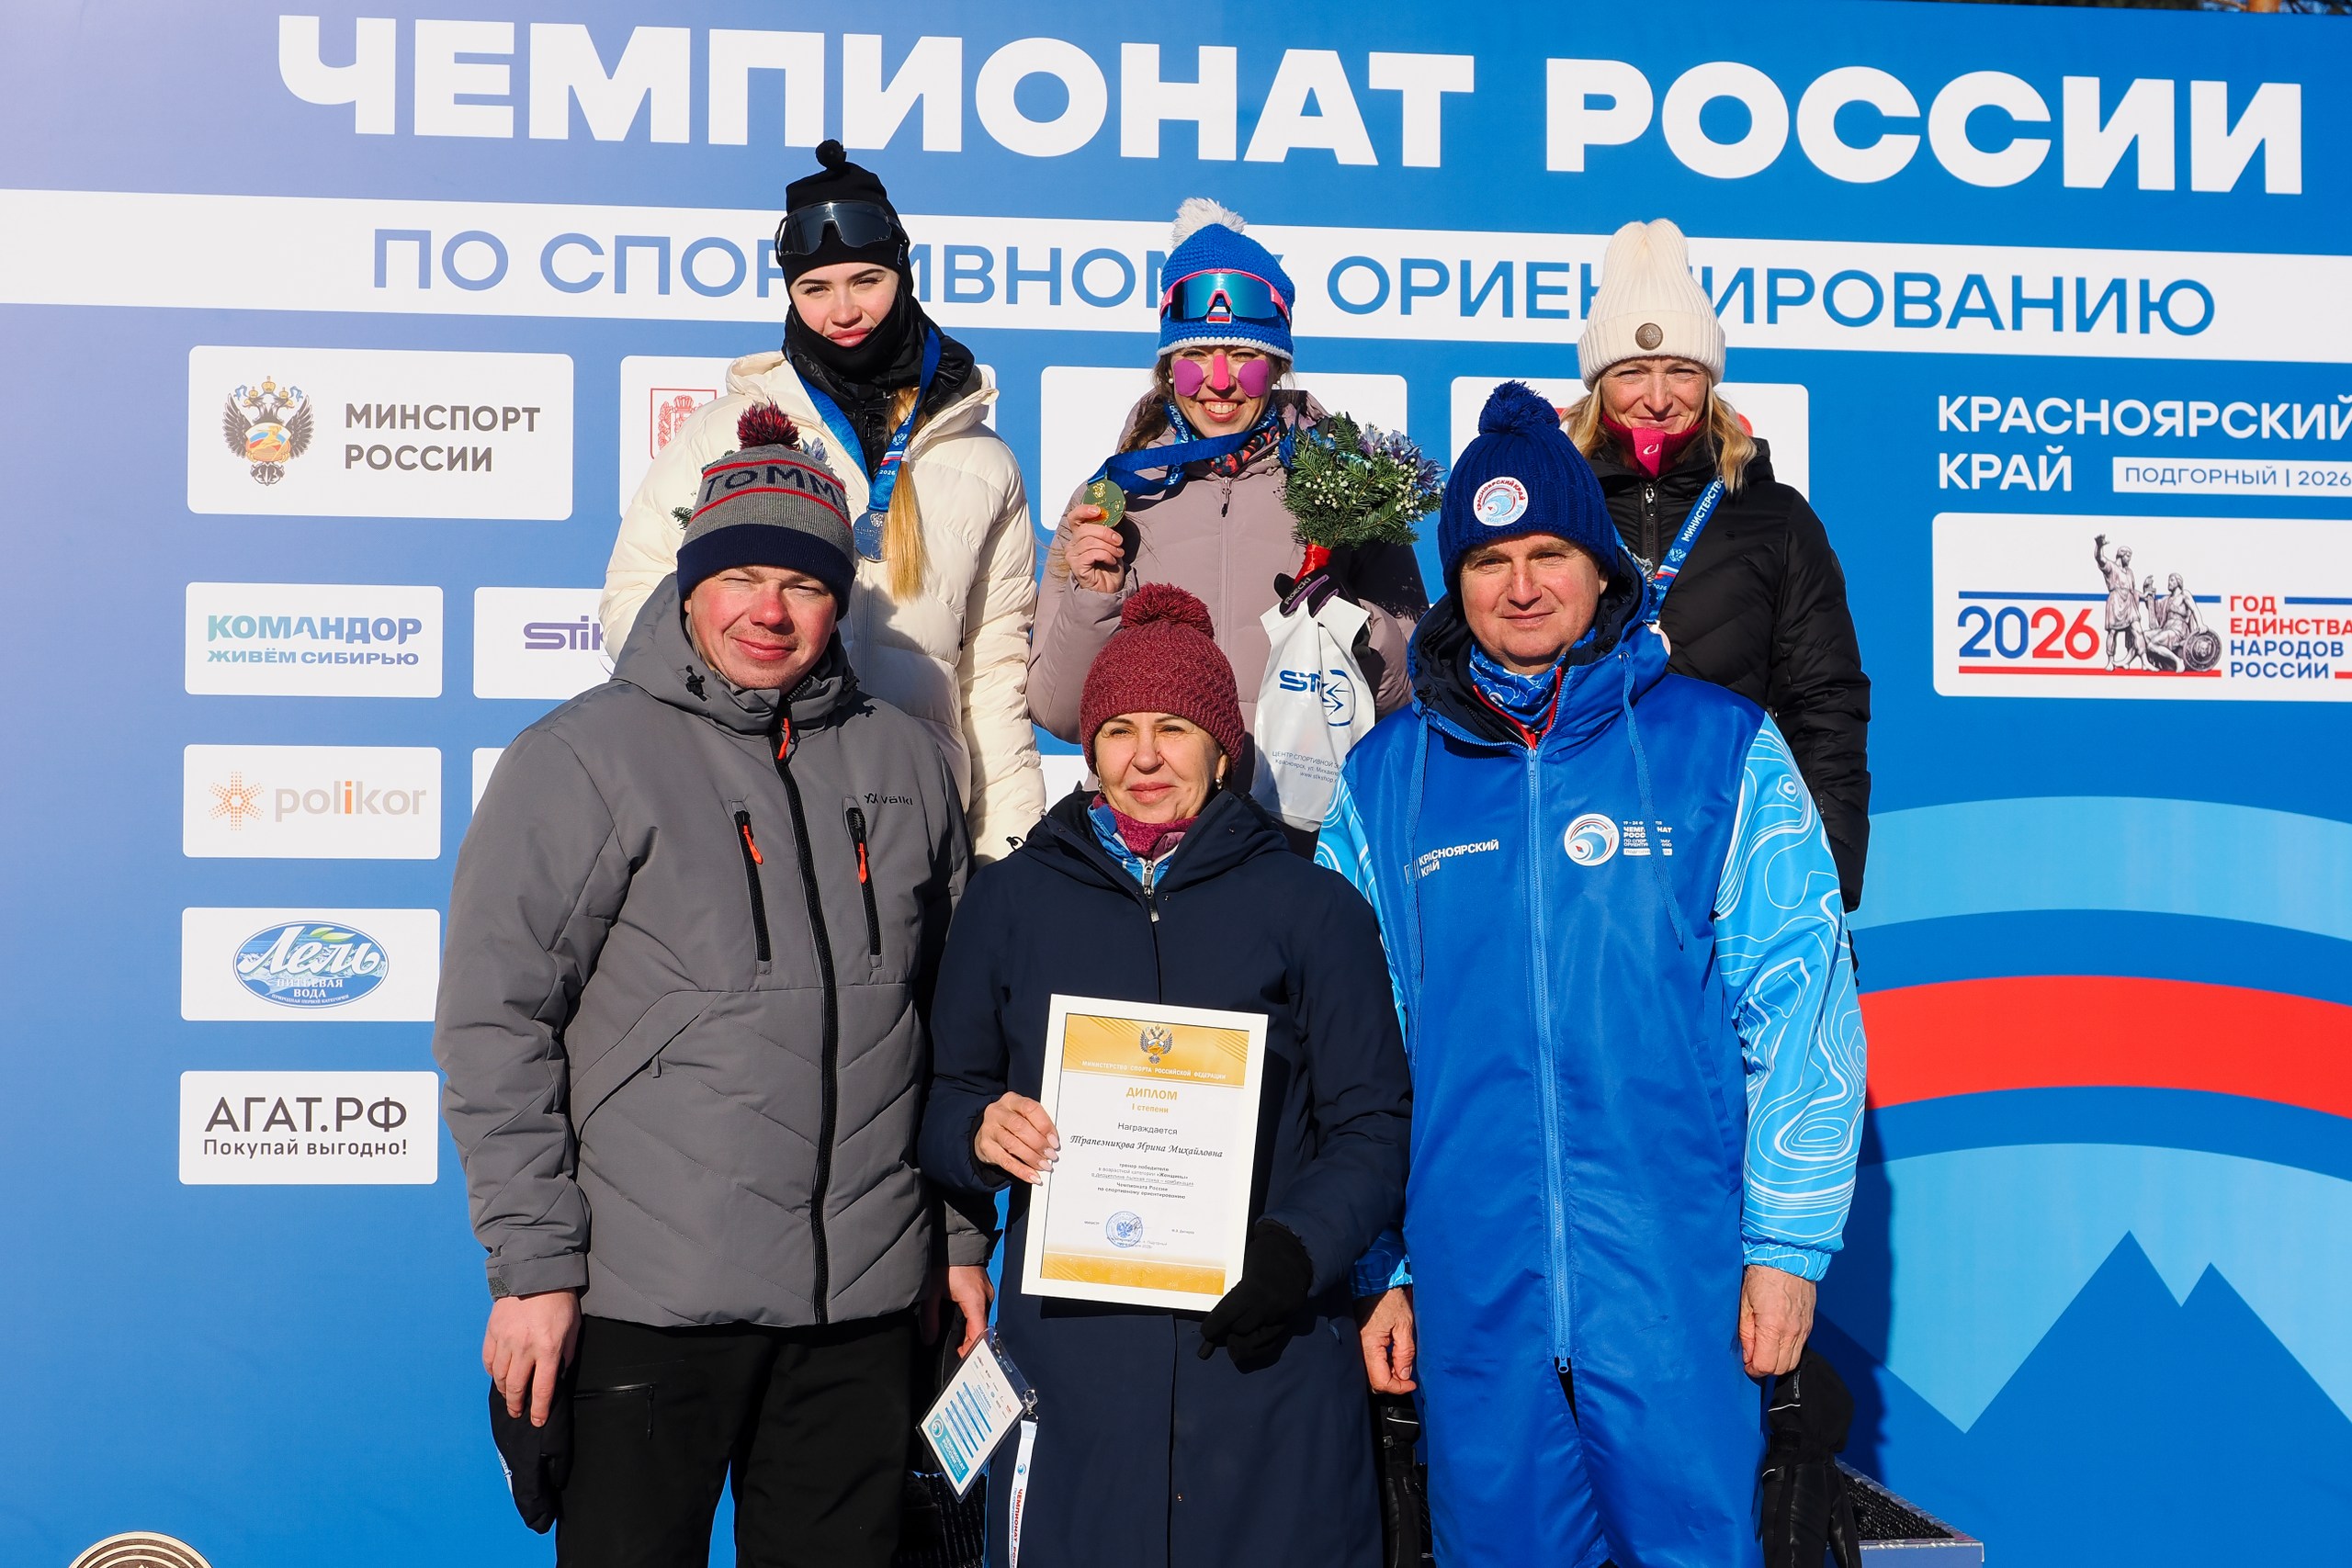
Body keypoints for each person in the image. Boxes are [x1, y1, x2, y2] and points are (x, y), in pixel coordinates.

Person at [1319, 384, 1867, 1568]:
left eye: (1549, 554)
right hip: (1474, 1294)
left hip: (1675, 1287)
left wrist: (1784, 1249)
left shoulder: (1716, 744)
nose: (1521, 587)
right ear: (1455, 583)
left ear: (1601, 567)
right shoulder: (1385, 781)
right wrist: (1380, 1268)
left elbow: (1803, 1005)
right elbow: (1353, 1055)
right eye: (1489, 561)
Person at [437, 418, 993, 1568]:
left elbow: (946, 1025)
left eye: (805, 584)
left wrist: (953, 1236)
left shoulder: (905, 758)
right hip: (650, 1301)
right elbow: (497, 1024)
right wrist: (535, 1273)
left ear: (840, 601)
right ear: (690, 585)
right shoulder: (583, 758)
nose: (768, 612)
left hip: (861, 1307)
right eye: (740, 576)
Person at [922, 584, 1413, 1568]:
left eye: (1175, 729)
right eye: (1119, 730)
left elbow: (1373, 1123)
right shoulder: (1010, 901)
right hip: (1077, 1361)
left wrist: (1298, 1248)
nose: (1145, 758)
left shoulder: (1312, 907)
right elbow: (942, 1096)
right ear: (1089, 749)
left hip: (1266, 1350)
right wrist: (978, 1131)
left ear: (1224, 750)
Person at [603, 139, 1043, 863]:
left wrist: (1007, 852)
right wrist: (732, 710)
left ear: (902, 272)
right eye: (815, 288)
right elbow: (636, 601)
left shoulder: (981, 458)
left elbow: (991, 678)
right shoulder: (725, 432)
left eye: (866, 280)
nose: (843, 310)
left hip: (910, 818)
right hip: (749, 804)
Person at [1027, 198, 1427, 822]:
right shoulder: (1112, 498)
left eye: (1243, 356)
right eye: (1196, 357)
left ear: (1278, 364)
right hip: (1157, 827)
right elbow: (1059, 713)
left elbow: (1412, 699)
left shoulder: (1347, 489)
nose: (1219, 381)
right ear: (1168, 368)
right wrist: (1092, 601)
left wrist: (1356, 627)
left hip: (1301, 826)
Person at [1565, 220, 1872, 910]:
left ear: (1709, 381)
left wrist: (1822, 881)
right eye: (1632, 371)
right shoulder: (1552, 512)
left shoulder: (1774, 518)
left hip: (1730, 852)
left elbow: (1824, 705)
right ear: (1598, 383)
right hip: (1576, 850)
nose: (1657, 397)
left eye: (1681, 370)